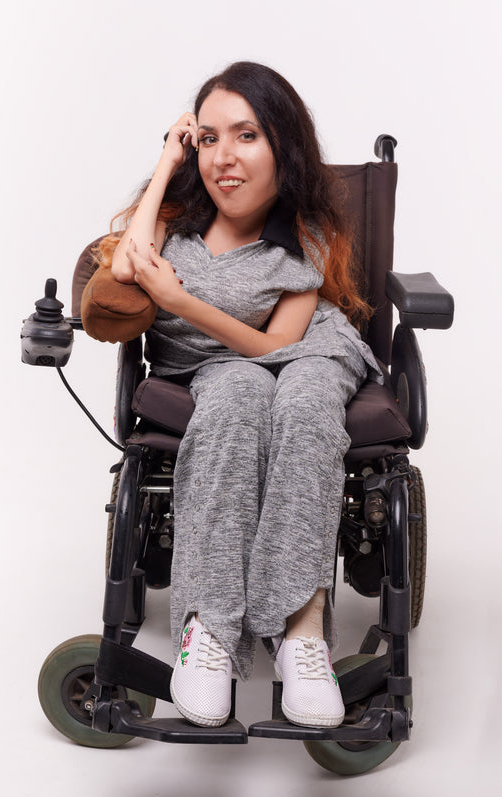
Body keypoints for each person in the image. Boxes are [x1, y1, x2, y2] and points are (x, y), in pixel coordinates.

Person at [99, 61, 382, 729]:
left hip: (304, 348)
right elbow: (119, 268)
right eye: (207, 138)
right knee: (235, 399)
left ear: (282, 145)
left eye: (246, 135)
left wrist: (177, 300)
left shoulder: (305, 236)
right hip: (221, 370)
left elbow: (277, 344)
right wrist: (168, 160)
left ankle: (301, 630)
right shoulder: (170, 218)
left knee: (305, 401)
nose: (223, 157)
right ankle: (211, 632)